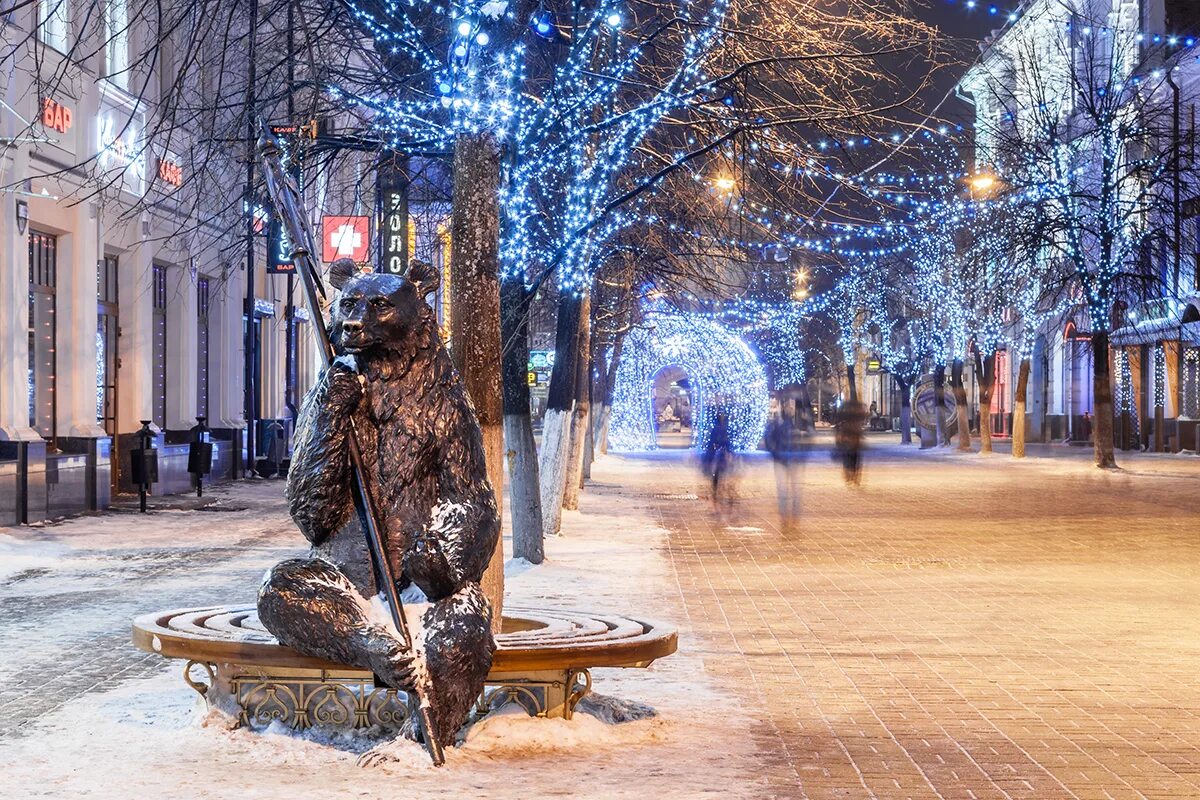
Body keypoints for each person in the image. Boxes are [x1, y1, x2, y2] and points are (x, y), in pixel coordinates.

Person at [765, 404, 807, 528]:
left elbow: (808, 438)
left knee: (795, 491)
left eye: (792, 406)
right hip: (782, 460)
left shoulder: (801, 422)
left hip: (794, 460)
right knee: (784, 490)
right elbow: (769, 439)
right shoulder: (776, 424)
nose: (790, 409)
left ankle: (793, 517)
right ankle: (785, 517)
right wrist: (776, 453)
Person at [701, 409, 733, 512]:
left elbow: (712, 443)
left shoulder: (716, 429)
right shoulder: (723, 429)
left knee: (716, 478)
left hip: (716, 457)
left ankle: (716, 496)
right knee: (719, 477)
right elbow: (726, 442)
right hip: (719, 457)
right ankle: (717, 496)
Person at [836, 400, 867, 486]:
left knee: (851, 459)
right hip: (851, 443)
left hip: (852, 443)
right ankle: (852, 476)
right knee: (852, 459)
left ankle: (852, 476)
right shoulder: (851, 422)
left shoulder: (847, 421)